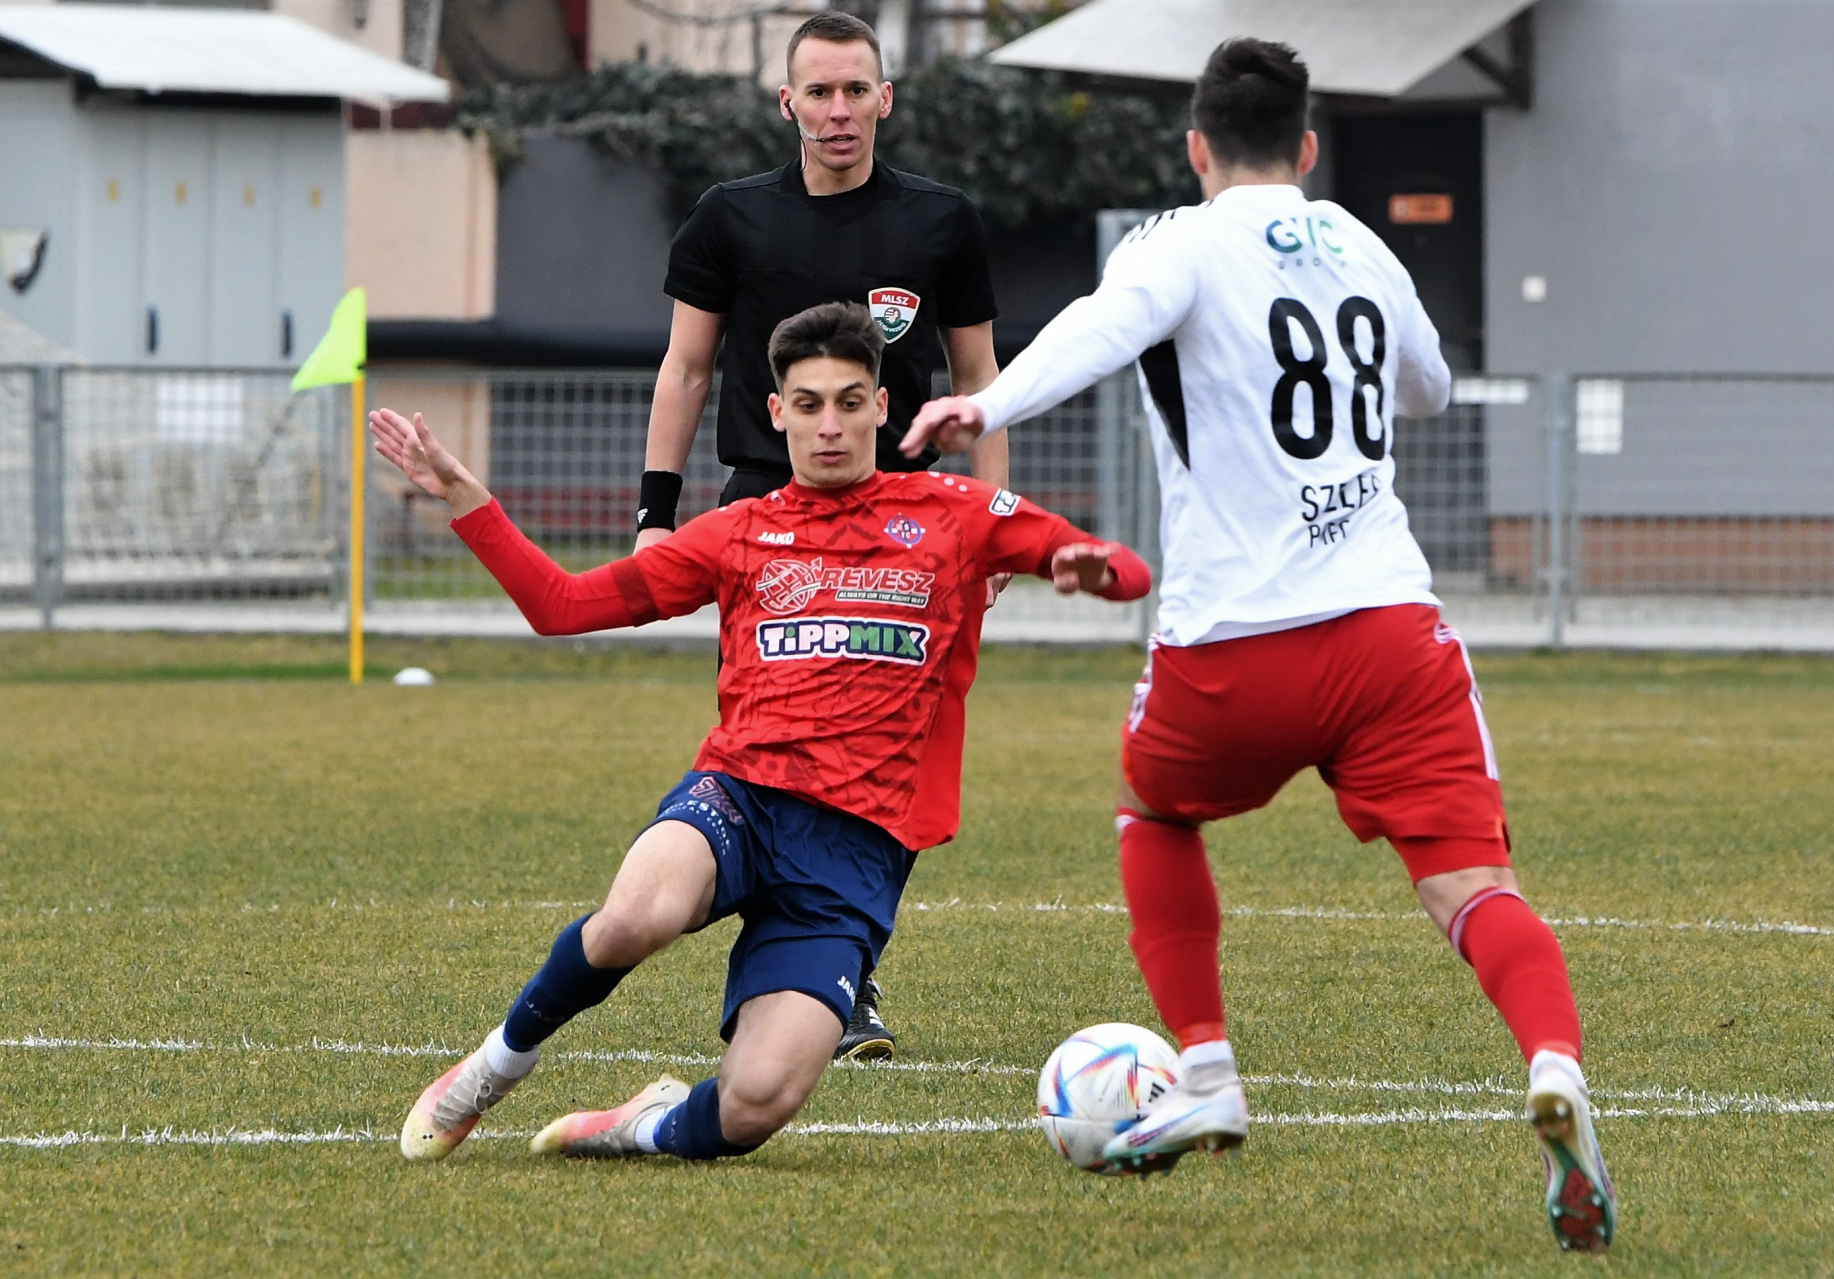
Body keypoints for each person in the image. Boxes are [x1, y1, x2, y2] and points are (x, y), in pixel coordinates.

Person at [903, 39, 1615, 1253]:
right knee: (1475, 888)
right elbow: (1432, 389)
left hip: (1234, 645)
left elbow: (1102, 326)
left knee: (1153, 813)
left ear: (1196, 147)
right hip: (1391, 635)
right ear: (1308, 146)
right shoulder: (1363, 245)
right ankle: (1555, 1065)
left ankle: (1209, 1069)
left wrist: (986, 403)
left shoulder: (1179, 244)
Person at [383, 302, 1149, 1166]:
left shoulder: (956, 515)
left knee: (753, 1105)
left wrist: (1098, 570)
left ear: (882, 406)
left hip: (856, 852)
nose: (830, 425)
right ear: (777, 411)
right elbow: (562, 605)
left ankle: (637, 1124)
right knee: (637, 914)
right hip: (740, 797)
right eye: (809, 404)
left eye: (849, 402)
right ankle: (490, 1069)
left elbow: (1128, 570)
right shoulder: (738, 532)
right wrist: (469, 499)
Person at [634, 9, 1009, 1060]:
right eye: (819, 91)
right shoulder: (729, 218)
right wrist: (657, 513)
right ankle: (798, 963)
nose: (838, 110)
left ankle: (842, 963)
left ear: (886, 98)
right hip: (768, 519)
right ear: (786, 102)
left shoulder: (942, 222)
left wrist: (991, 521)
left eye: (856, 90)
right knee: (774, 744)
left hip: (907, 525)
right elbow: (686, 368)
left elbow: (978, 378)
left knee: (892, 752)